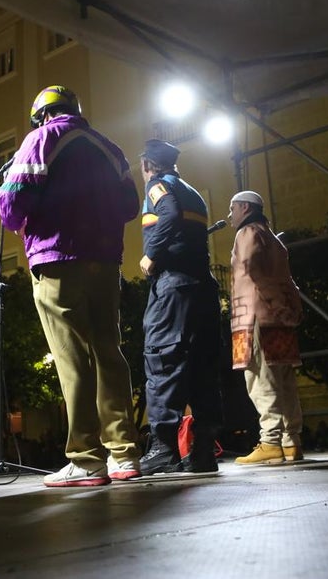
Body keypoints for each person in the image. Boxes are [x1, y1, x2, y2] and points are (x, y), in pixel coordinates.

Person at [0, 85, 142, 487]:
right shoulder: (111, 148)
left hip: (57, 259)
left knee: (72, 358)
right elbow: (131, 205)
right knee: (109, 352)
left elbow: (11, 209)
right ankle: (124, 455)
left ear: (41, 115)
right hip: (105, 261)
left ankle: (86, 457)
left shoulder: (41, 138)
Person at [137, 138, 223, 475]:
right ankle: (202, 452)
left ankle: (163, 450)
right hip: (203, 288)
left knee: (163, 361)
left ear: (148, 166)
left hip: (173, 289)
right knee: (203, 368)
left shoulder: (159, 186)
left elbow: (168, 213)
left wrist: (150, 255)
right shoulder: (194, 191)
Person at [227, 190, 305, 465]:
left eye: (233, 208)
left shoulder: (247, 233)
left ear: (245, 207)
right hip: (279, 316)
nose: (230, 215)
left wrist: (271, 302)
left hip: (255, 316)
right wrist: (289, 308)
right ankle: (291, 441)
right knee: (283, 378)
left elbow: (252, 269)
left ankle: (270, 441)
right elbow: (288, 279)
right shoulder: (273, 238)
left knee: (261, 377)